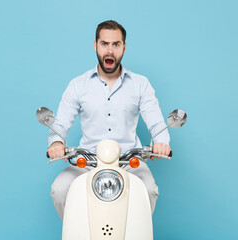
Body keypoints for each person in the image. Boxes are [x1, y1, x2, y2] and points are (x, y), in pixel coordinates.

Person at [47, 20, 171, 220]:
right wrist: (56, 142)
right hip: (88, 161)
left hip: (129, 161)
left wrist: (161, 142)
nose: (110, 50)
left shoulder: (140, 84)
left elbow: (156, 122)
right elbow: (60, 124)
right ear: (95, 45)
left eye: (116, 44)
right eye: (105, 44)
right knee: (59, 189)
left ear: (124, 47)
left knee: (148, 190)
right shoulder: (78, 85)